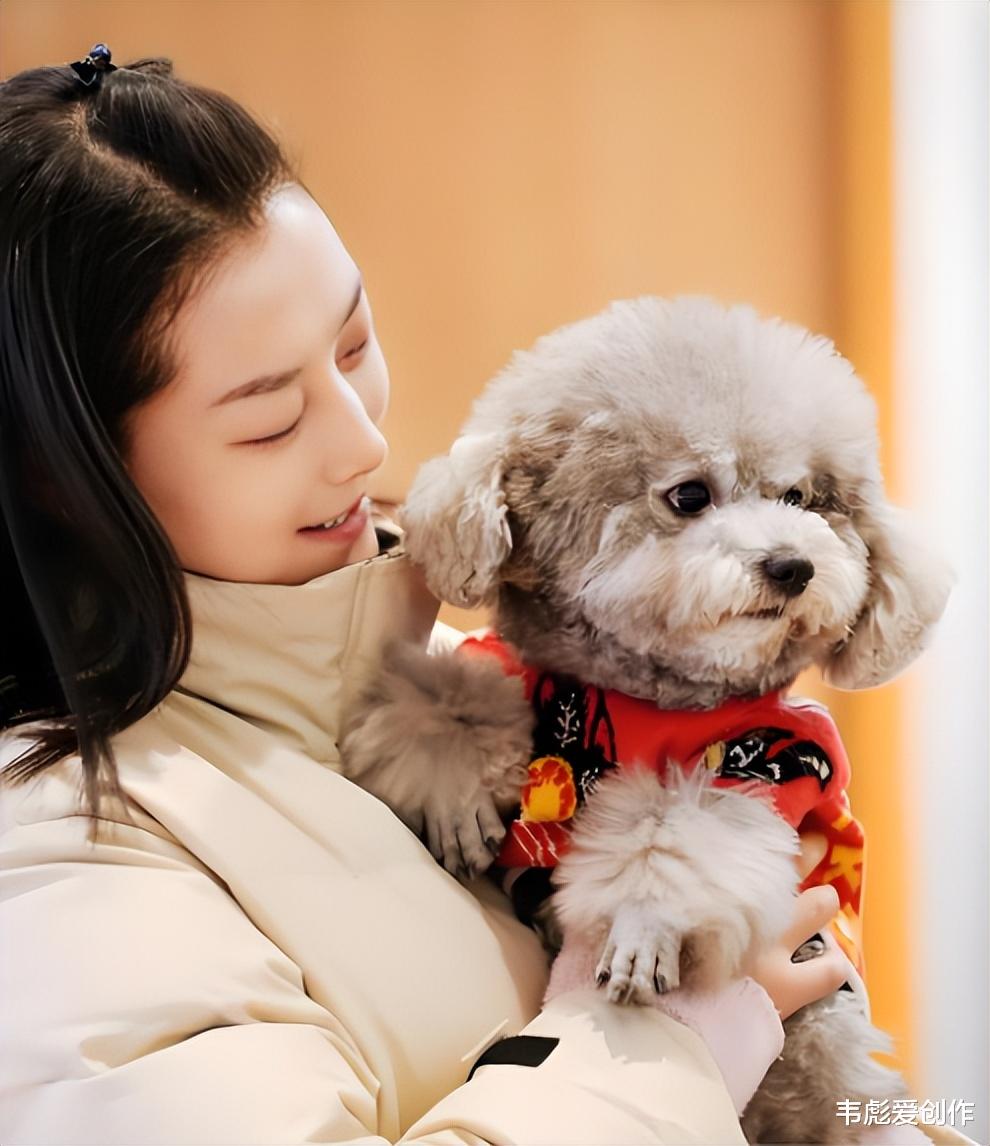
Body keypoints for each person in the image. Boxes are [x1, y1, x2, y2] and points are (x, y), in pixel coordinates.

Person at [0, 45, 958, 1146]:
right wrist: (665, 1049)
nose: (363, 445)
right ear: (63, 476)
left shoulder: (488, 690)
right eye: (270, 420)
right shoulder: (61, 861)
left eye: (354, 346)